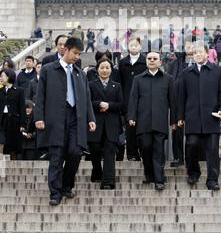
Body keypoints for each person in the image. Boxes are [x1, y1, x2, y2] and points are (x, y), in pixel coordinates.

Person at [34, 37, 96, 206]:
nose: (77, 57)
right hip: (56, 117)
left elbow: (87, 98)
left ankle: (66, 186)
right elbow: (40, 96)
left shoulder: (80, 74)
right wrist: (39, 117)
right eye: (75, 53)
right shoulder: (48, 70)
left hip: (76, 118)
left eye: (79, 54)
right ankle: (55, 192)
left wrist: (91, 118)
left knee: (76, 152)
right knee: (56, 155)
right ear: (66, 49)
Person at [177, 44, 221, 191]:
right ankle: (193, 172)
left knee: (212, 149)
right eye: (195, 52)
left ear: (207, 53)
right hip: (192, 117)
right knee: (191, 145)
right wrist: (180, 116)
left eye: (200, 51)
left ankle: (212, 180)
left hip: (211, 117)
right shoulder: (186, 73)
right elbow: (181, 97)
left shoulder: (217, 71)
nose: (197, 54)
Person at [128, 51, 176, 191]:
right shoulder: (138, 79)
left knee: (159, 151)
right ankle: (149, 174)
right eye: (149, 58)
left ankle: (159, 180)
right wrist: (132, 117)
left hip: (160, 122)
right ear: (146, 61)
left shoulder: (168, 79)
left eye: (155, 58)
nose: (152, 60)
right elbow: (133, 99)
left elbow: (173, 102)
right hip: (143, 122)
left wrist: (173, 120)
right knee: (146, 148)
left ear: (160, 62)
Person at [88, 58, 123, 188]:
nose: (104, 70)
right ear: (97, 70)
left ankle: (108, 181)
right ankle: (97, 172)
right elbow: (87, 102)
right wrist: (99, 104)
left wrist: (109, 105)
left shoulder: (117, 85)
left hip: (111, 123)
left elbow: (121, 104)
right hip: (95, 123)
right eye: (102, 67)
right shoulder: (90, 84)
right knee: (94, 150)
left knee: (110, 152)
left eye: (107, 67)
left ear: (111, 70)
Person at [119, 37, 147, 161]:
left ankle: (143, 152)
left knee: (142, 127)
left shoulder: (146, 61)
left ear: (140, 46)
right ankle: (131, 154)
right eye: (131, 45)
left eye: (136, 45)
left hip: (143, 100)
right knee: (130, 129)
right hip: (127, 99)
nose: (134, 47)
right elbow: (120, 82)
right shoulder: (123, 62)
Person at [167, 38, 194, 167]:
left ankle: (193, 158)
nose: (189, 47)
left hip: (195, 101)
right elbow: (169, 82)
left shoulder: (202, 62)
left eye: (192, 45)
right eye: (187, 44)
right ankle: (178, 157)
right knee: (177, 130)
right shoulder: (175, 63)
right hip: (178, 102)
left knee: (195, 133)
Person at [0, 68, 26, 160]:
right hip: (2, 120)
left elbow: (22, 108)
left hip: (14, 121)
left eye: (2, 76)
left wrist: (23, 124)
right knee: (1, 141)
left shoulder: (19, 90)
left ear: (8, 77)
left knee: (13, 145)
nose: (0, 78)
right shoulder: (1, 90)